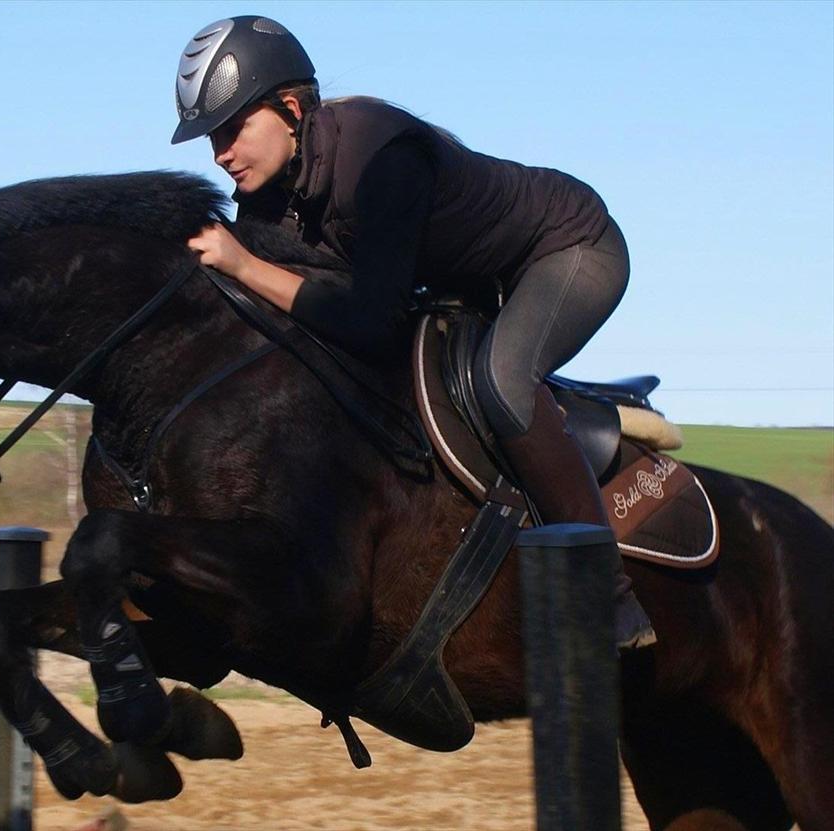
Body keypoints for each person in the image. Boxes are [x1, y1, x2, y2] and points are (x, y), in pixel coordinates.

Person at [173, 16, 655, 649]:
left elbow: (370, 325)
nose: (220, 154)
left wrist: (245, 265)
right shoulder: (273, 185)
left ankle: (608, 596)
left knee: (501, 382)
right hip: (480, 280)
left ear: (289, 108)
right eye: (212, 137)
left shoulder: (380, 157)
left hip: (569, 249)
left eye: (232, 128)